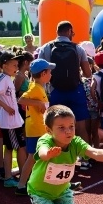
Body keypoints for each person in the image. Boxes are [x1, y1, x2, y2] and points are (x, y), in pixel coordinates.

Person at [36, 21, 94, 162]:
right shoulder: (78, 48)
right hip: (76, 90)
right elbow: (88, 73)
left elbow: (38, 71)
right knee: (80, 126)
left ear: (57, 32)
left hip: (55, 90)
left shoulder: (46, 48)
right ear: (69, 31)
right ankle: (85, 159)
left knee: (57, 126)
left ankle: (59, 159)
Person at [0, 51, 27, 188]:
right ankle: (15, 176)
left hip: (14, 121)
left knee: (14, 148)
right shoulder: (2, 79)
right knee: (17, 148)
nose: (16, 67)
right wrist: (5, 106)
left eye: (17, 65)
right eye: (14, 65)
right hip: (9, 122)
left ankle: (17, 175)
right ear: (5, 65)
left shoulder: (7, 78)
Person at [15, 59, 55, 195]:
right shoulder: (35, 88)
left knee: (44, 156)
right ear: (43, 74)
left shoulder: (38, 87)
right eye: (49, 72)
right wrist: (38, 104)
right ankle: (22, 185)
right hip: (36, 129)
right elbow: (21, 100)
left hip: (40, 128)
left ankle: (53, 183)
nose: (51, 74)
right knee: (33, 157)